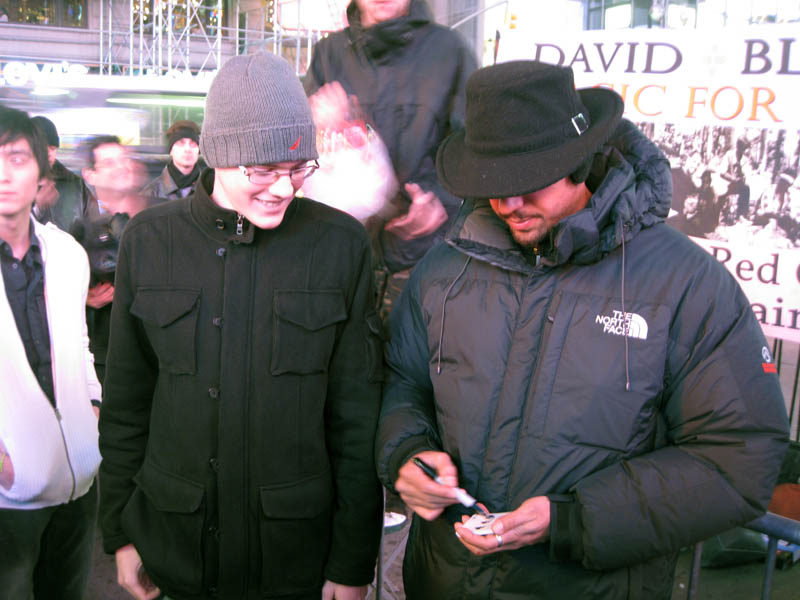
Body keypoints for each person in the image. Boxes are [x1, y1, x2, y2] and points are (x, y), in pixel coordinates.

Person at [375, 61, 790, 599]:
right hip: (444, 580)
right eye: (493, 185)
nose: (507, 205)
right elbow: (399, 381)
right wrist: (405, 452)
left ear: (581, 161)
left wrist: (570, 520)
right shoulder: (446, 267)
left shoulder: (687, 285)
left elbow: (740, 457)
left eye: (527, 184)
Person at [98, 52, 383, 600]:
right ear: (218, 155)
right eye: (263, 170)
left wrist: (352, 564)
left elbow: (356, 419)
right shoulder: (151, 242)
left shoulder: (340, 245)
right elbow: (127, 404)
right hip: (175, 544)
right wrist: (120, 531)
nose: (284, 188)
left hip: (294, 556)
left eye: (298, 168)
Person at [304, 0, 478, 317]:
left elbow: (475, 151)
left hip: (425, 262)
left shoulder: (449, 51)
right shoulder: (328, 54)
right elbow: (299, 154)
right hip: (342, 258)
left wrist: (440, 203)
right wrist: (314, 120)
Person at [0, 106, 102, 599]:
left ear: (42, 169)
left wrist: (94, 414)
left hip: (79, 484)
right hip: (8, 500)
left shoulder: (66, 253)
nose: (4, 173)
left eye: (16, 157)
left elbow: (79, 344)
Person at [78, 135, 152, 383]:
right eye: (109, 162)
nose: (121, 167)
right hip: (107, 354)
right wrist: (82, 298)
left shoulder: (161, 216)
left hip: (158, 348)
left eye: (124, 159)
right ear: (90, 174)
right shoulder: (80, 230)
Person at [30, 115, 93, 232]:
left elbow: (93, 230)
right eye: (42, 148)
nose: (48, 153)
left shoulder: (75, 185)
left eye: (53, 148)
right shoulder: (12, 185)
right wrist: (37, 209)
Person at [141, 119, 203, 200]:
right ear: (171, 150)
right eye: (181, 143)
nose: (187, 149)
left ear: (198, 150)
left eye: (193, 144)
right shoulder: (151, 193)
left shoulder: (212, 189)